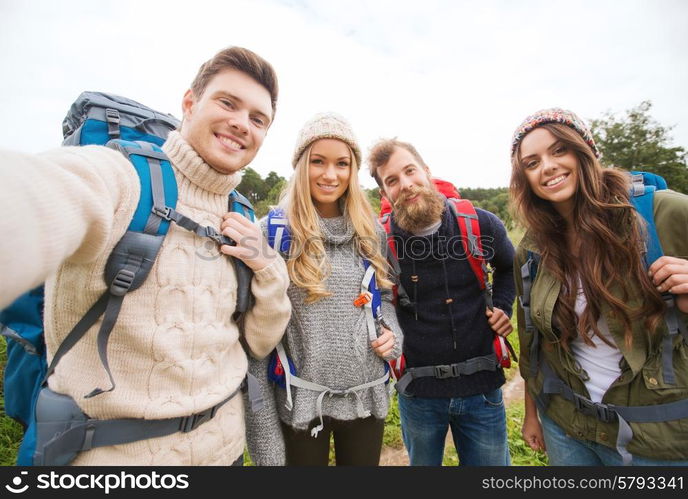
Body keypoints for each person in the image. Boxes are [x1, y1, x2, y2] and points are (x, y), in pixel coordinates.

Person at [0, 46, 291, 465]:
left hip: (226, 452)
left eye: (258, 119)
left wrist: (266, 266)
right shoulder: (121, 176)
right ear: (190, 103)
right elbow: (38, 197)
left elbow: (260, 342)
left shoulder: (241, 214)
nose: (241, 124)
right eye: (228, 103)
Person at [510, 108, 688, 465]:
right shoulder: (532, 250)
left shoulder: (663, 212)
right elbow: (533, 342)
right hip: (567, 428)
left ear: (585, 152)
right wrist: (533, 413)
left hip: (655, 441)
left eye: (559, 150)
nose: (547, 166)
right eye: (532, 163)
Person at [245, 112, 403, 466]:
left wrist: (393, 335)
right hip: (298, 405)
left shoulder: (371, 233)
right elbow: (256, 340)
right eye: (318, 161)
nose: (330, 175)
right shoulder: (270, 234)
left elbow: (386, 297)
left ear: (353, 170)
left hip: (366, 399)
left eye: (342, 164)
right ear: (302, 165)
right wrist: (265, 442)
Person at [367, 138, 515, 466]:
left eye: (410, 171)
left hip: (482, 390)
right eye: (392, 180)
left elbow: (510, 267)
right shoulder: (379, 242)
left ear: (427, 172)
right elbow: (372, 301)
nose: (405, 184)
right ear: (384, 194)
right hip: (418, 395)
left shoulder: (480, 224)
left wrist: (503, 306)